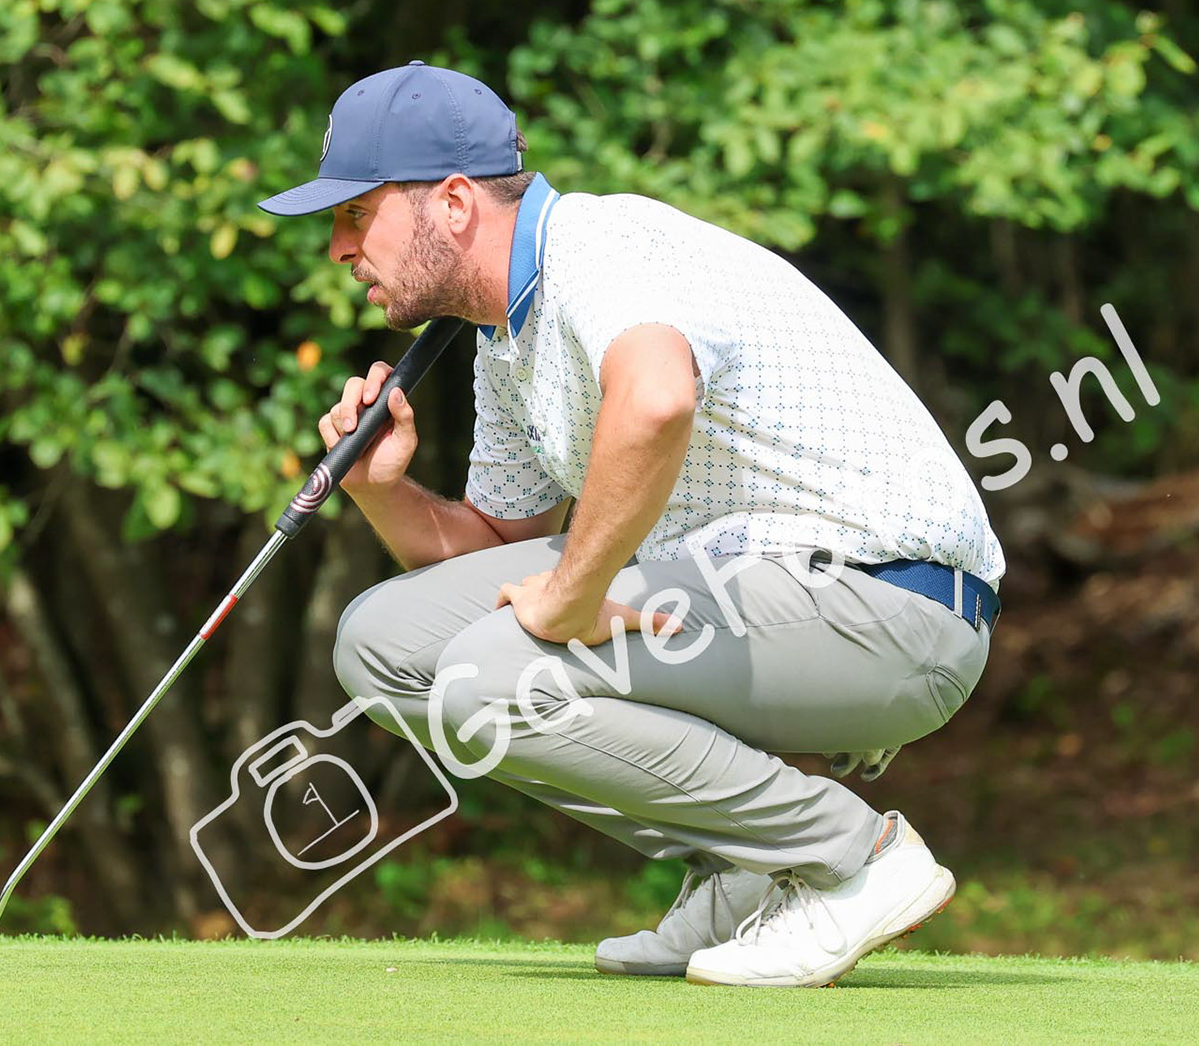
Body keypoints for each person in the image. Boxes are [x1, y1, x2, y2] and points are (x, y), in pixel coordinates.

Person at [257, 61, 1004, 988]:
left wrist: (573, 597)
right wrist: (381, 490)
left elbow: (654, 401)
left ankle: (854, 857)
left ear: (452, 202)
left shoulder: (602, 246)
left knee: (488, 680)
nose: (338, 247)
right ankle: (740, 863)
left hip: (893, 605)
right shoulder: (504, 333)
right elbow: (493, 554)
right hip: (766, 591)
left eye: (356, 214)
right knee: (384, 644)